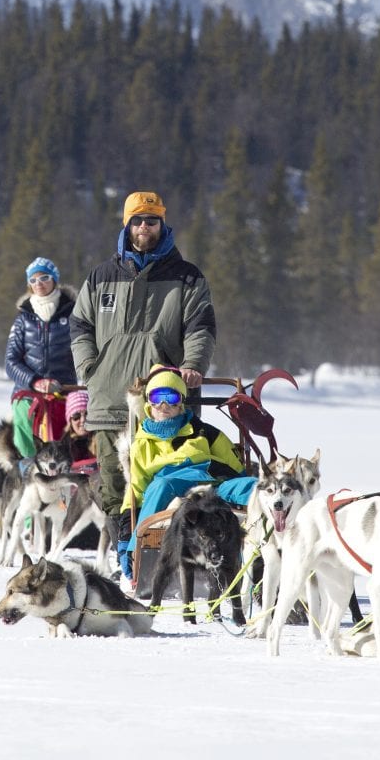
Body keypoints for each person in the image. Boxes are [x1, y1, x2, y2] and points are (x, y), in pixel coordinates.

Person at [68, 190, 217, 519]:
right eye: (138, 220)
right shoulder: (100, 277)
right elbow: (80, 326)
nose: (144, 227)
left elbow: (200, 327)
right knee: (113, 488)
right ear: (127, 225)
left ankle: (162, 555)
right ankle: (124, 558)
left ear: (162, 225)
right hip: (109, 399)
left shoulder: (187, 277)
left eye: (152, 220)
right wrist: (89, 368)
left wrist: (193, 365)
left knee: (167, 485)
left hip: (165, 404)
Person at [125, 368, 244, 518]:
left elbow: (236, 469)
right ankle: (140, 541)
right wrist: (127, 523)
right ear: (148, 403)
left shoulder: (205, 433)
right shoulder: (142, 444)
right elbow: (136, 489)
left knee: (253, 487)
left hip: (212, 483)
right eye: (157, 397)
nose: (164, 404)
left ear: (180, 403)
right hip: (168, 490)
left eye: (171, 398)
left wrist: (244, 483)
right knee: (162, 485)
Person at [4, 257, 77, 456]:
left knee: (74, 423)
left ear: (54, 279)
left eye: (44, 277)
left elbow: (86, 349)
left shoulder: (74, 313)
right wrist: (35, 382)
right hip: (28, 390)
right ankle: (28, 466)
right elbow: (11, 361)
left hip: (66, 387)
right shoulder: (23, 318)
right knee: (23, 418)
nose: (39, 284)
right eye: (33, 280)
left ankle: (67, 467)